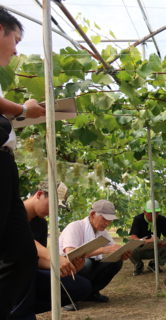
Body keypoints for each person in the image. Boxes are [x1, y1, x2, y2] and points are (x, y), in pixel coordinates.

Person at [0, 6, 47, 319]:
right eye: (15, 38)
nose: (17, 49)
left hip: (6, 162)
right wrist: (22, 109)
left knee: (22, 253)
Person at [10, 182, 91, 318]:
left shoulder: (40, 223)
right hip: (9, 274)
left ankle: (19, 310)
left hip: (28, 274)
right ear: (40, 194)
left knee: (82, 287)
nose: (52, 212)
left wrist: (62, 265)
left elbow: (36, 260)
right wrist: (52, 256)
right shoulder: (10, 212)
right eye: (52, 205)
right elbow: (19, 239)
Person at [59, 200, 131, 303]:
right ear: (92, 214)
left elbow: (113, 247)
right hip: (65, 270)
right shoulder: (75, 227)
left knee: (116, 261)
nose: (107, 223)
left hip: (84, 267)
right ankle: (68, 296)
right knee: (86, 263)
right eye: (104, 219)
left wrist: (122, 253)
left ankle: (91, 293)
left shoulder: (101, 230)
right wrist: (103, 249)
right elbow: (70, 254)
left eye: (110, 220)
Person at [129, 200, 166, 276]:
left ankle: (154, 264)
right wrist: (147, 241)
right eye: (150, 214)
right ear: (144, 212)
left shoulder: (162, 219)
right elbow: (133, 238)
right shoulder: (138, 219)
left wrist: (162, 244)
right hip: (141, 250)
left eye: (156, 214)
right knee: (129, 248)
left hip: (156, 249)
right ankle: (139, 266)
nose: (154, 216)